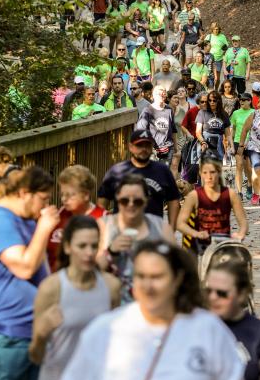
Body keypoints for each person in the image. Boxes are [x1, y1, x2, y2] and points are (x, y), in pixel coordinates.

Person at [57, 240, 249, 380]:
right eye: (141, 276)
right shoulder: (106, 329)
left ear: (177, 279)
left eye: (157, 277)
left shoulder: (208, 329)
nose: (147, 286)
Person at [0, 167, 59, 380]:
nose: (45, 205)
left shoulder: (27, 220)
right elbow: (24, 267)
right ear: (25, 193)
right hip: (7, 335)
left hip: (35, 332)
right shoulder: (1, 219)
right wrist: (45, 227)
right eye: (43, 198)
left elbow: (41, 269)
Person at [30, 216, 121, 380]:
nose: (89, 253)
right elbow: (35, 356)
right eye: (82, 246)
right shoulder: (51, 288)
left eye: (94, 246)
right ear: (67, 247)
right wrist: (41, 333)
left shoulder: (111, 286)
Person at [99, 174, 175, 303]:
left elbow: (177, 269)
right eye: (124, 201)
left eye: (137, 201)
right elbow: (89, 270)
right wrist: (110, 251)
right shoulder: (103, 226)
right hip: (112, 305)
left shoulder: (161, 227)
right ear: (117, 199)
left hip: (151, 303)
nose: (131, 205)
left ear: (146, 200)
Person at [97, 130, 180, 228]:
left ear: (152, 147)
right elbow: (102, 201)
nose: (143, 149)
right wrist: (102, 229)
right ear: (131, 147)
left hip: (154, 233)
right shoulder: (117, 171)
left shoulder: (163, 171)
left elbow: (173, 200)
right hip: (122, 233)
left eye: (147, 145)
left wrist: (171, 228)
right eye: (139, 145)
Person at [177, 155, 248, 251]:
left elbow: (243, 222)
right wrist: (196, 234)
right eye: (205, 173)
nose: (209, 177)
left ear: (219, 172)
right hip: (197, 241)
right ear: (200, 174)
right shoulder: (194, 196)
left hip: (221, 243)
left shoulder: (230, 194)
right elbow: (180, 224)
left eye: (212, 172)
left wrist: (240, 234)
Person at [47, 165, 106, 272]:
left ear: (86, 195)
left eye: (70, 195)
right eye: (62, 194)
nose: (64, 199)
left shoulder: (102, 218)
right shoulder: (57, 216)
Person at [136, 85, 178, 166]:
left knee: (163, 175)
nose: (162, 94)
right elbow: (141, 132)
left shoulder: (169, 109)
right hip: (153, 150)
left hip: (168, 148)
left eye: (163, 93)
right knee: (153, 175)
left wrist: (175, 147)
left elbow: (173, 129)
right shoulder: (147, 111)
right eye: (159, 93)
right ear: (154, 95)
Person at [196, 91, 234, 161]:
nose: (212, 102)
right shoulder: (202, 112)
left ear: (218, 101)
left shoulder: (224, 114)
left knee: (218, 167)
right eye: (209, 100)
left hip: (219, 143)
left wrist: (232, 146)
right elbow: (198, 132)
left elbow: (228, 134)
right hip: (206, 142)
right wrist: (203, 142)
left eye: (214, 100)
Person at [231, 93, 255, 200]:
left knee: (248, 168)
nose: (242, 102)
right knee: (239, 165)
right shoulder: (235, 113)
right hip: (237, 142)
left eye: (244, 100)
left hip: (250, 143)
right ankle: (239, 192)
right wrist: (230, 143)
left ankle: (249, 185)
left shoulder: (254, 113)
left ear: (250, 101)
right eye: (240, 100)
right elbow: (234, 129)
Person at [167, 90, 189, 178]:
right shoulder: (165, 110)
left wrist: (186, 137)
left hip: (179, 141)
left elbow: (184, 126)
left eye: (177, 97)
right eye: (174, 97)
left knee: (175, 166)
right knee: (167, 166)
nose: (177, 99)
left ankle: (174, 188)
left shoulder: (182, 111)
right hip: (167, 142)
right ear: (168, 99)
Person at [205, 22, 229, 90]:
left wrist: (224, 50)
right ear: (212, 29)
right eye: (215, 29)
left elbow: (226, 46)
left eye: (217, 29)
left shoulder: (222, 36)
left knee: (217, 78)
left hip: (218, 59)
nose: (216, 30)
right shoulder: (209, 36)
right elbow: (204, 46)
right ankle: (208, 89)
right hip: (209, 58)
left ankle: (215, 90)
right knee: (208, 75)